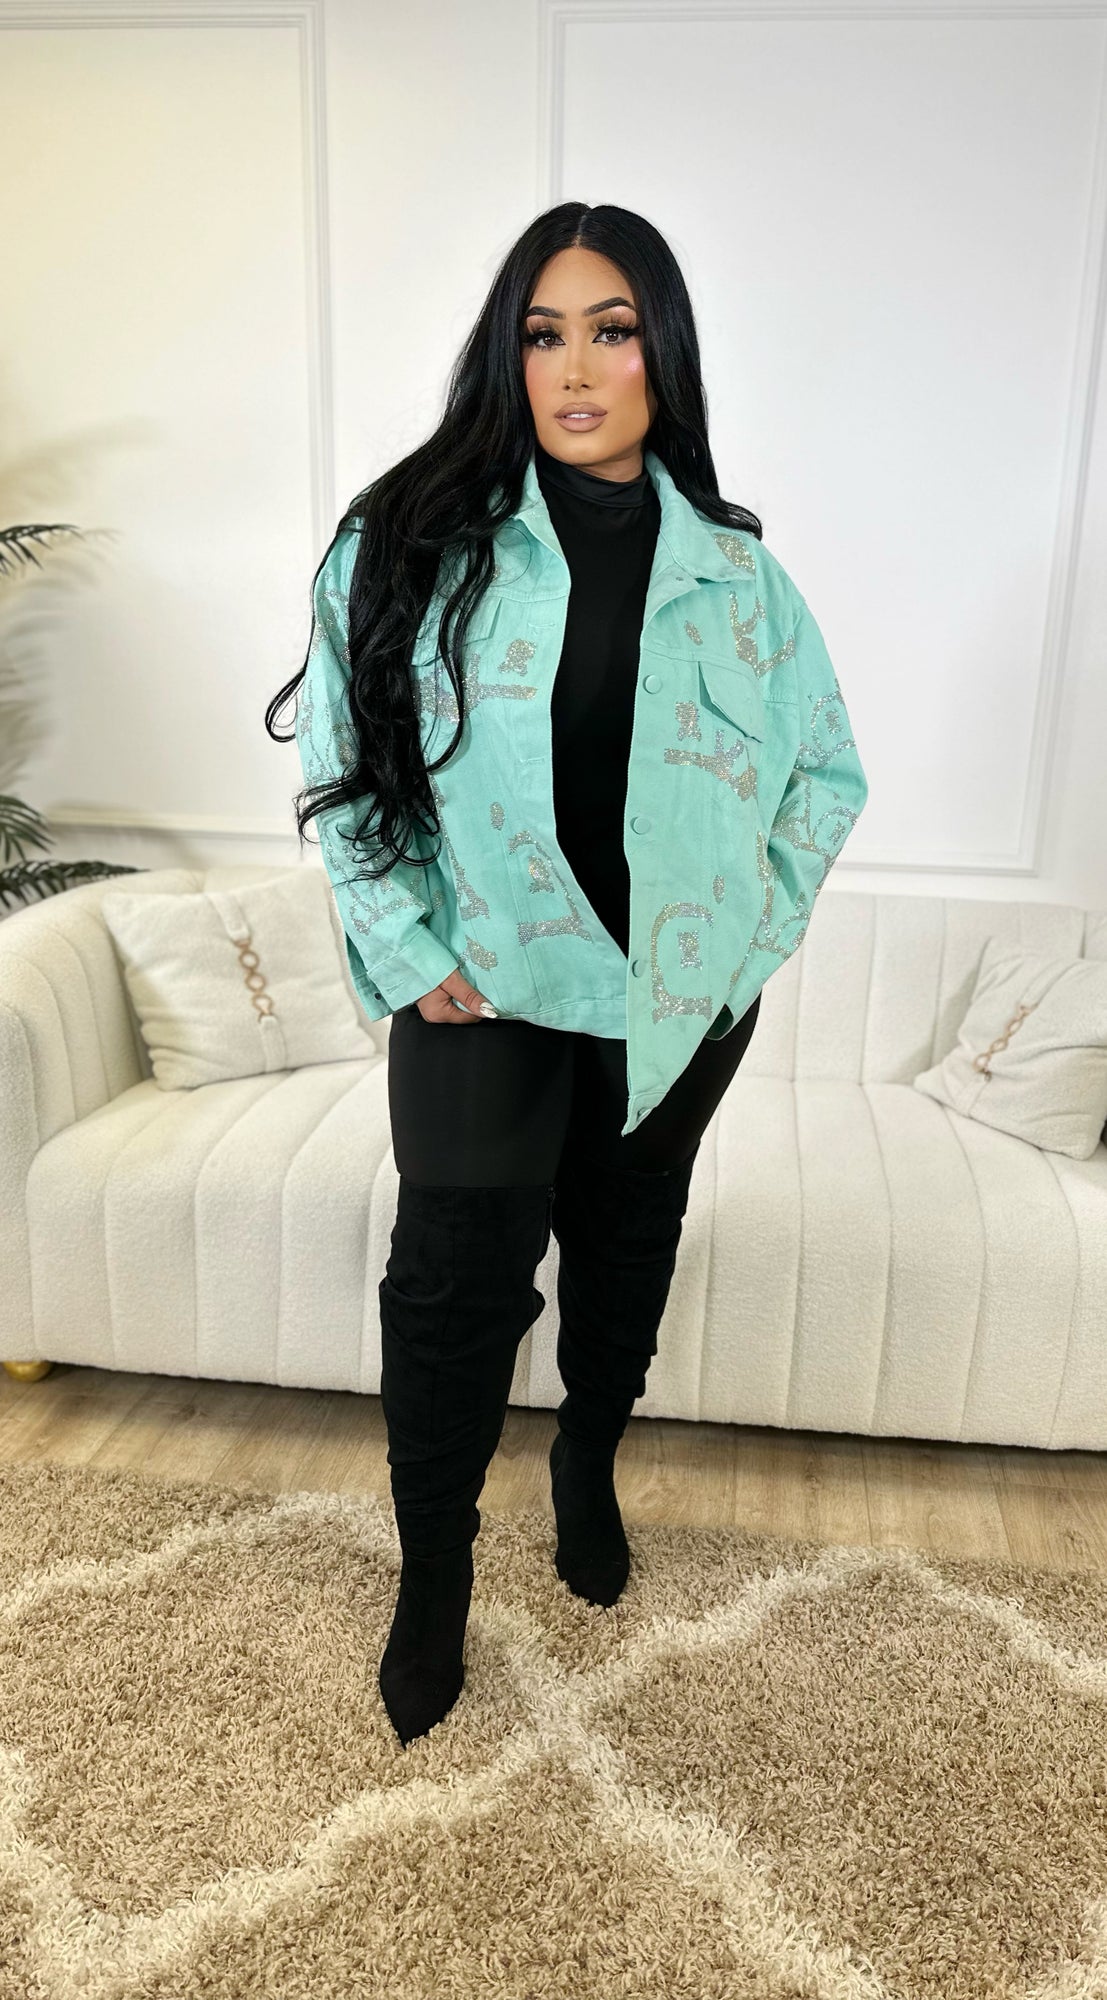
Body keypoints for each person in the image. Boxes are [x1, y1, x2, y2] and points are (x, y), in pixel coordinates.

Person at [267, 201, 869, 1748]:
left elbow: (827, 776)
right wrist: (407, 948)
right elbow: (341, 758)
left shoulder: (739, 580)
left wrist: (744, 941)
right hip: (484, 993)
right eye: (544, 335)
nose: (578, 369)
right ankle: (434, 1578)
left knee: (625, 1248)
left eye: (613, 331)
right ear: (508, 355)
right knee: (449, 1294)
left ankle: (588, 1458)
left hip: (670, 1008)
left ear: (664, 353)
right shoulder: (412, 545)